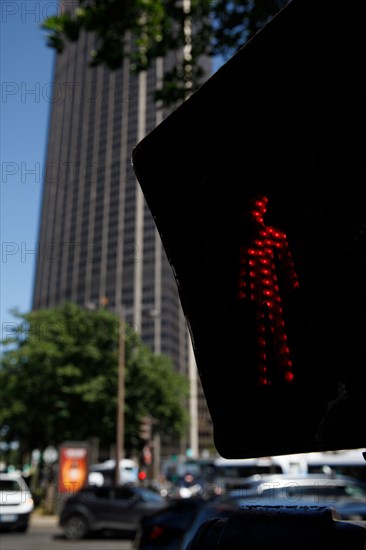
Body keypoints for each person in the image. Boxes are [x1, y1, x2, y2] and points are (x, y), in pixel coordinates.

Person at [237, 194, 299, 385]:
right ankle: (264, 378)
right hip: (258, 296)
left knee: (278, 334)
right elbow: (242, 273)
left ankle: (286, 375)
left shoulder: (274, 235)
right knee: (260, 339)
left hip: (273, 293)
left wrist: (292, 284)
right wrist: (243, 295)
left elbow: (287, 263)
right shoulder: (248, 245)